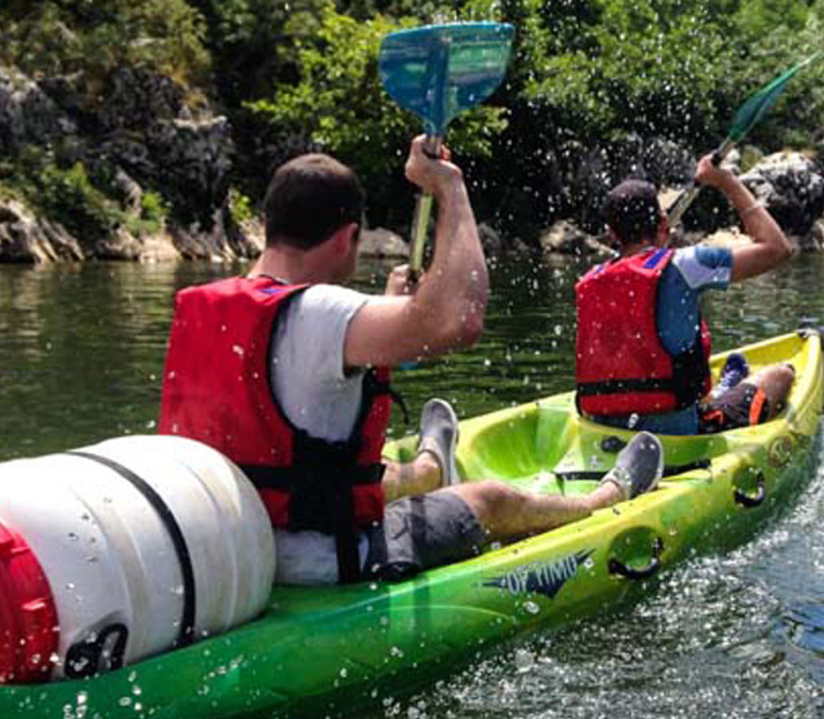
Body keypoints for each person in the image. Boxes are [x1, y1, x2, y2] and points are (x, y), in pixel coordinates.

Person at [159, 138, 663, 585]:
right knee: (488, 498)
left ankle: (425, 470)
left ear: (270, 224)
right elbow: (458, 320)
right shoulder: (319, 314)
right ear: (347, 238)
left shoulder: (203, 304)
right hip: (317, 560)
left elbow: (297, 384)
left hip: (229, 550)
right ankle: (602, 502)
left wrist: (388, 307)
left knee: (368, 473)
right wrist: (451, 188)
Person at [575, 154, 797, 436]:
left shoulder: (589, 280)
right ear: (663, 223)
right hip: (677, 435)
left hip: (601, 430)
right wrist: (727, 181)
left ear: (611, 234)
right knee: (781, 375)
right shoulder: (686, 264)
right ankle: (723, 393)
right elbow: (777, 249)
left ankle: (723, 388)